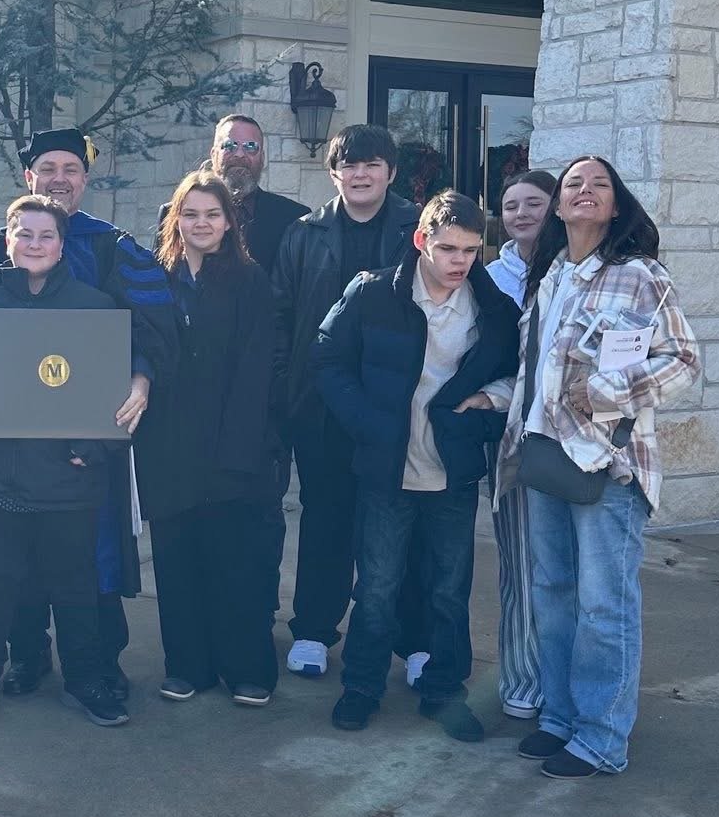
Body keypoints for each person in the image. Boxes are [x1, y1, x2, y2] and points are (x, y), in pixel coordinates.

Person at [0, 128, 178, 696]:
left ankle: (99, 663)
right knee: (12, 560)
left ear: (84, 180)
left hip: (83, 445)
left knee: (90, 556)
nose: (59, 178)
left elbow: (154, 327)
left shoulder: (110, 248)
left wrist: (141, 380)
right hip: (9, 447)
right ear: (29, 178)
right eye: (47, 168)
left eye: (71, 168)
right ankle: (27, 656)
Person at [493, 156, 700, 778]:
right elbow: (538, 370)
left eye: (599, 185)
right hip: (542, 459)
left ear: (615, 207)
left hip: (607, 465)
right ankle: (560, 717)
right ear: (559, 208)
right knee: (553, 595)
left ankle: (602, 736)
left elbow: (683, 361)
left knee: (604, 605)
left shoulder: (640, 277)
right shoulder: (550, 275)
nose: (584, 192)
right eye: (573, 185)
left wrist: (607, 392)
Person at [314, 190, 518, 743]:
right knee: (377, 587)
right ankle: (361, 688)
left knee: (449, 591)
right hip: (386, 470)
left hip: (452, 473)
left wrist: (488, 401)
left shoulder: (493, 307)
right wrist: (367, 422)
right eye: (449, 248)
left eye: (472, 250)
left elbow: (519, 370)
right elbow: (328, 357)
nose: (460, 262)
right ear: (421, 239)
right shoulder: (372, 293)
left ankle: (445, 694)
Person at [0, 197, 131, 730]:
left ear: (61, 243)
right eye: (23, 234)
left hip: (70, 477)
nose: (33, 243)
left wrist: (95, 447)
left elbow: (115, 394)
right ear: (7, 239)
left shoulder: (95, 307)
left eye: (45, 235)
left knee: (74, 584)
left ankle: (86, 680)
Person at [273, 124, 418, 677]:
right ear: (334, 173)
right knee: (326, 520)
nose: (360, 174)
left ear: (391, 172)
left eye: (372, 164)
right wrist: (290, 385)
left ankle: (411, 640)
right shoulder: (304, 233)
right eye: (349, 166)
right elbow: (281, 316)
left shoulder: (416, 229)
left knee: (399, 524)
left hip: (396, 404)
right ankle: (313, 629)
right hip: (321, 405)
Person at [140, 172, 280, 706]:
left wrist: (240, 450)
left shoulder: (250, 281)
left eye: (212, 214)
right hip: (168, 444)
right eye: (191, 214)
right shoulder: (154, 278)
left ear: (229, 221)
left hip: (231, 444)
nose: (201, 224)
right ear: (176, 218)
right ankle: (187, 666)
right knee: (177, 563)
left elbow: (256, 371)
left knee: (235, 565)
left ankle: (246, 668)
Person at [485, 169, 557, 719]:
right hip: (511, 436)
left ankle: (568, 685)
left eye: (535, 202)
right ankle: (524, 681)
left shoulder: (580, 270)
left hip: (572, 439)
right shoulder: (490, 278)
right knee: (521, 563)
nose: (523, 213)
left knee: (566, 567)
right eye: (512, 205)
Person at [156, 114, 306, 273]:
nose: (240, 154)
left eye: (250, 147)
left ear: (262, 159)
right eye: (229, 146)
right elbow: (158, 281)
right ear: (213, 155)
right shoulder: (172, 215)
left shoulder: (293, 219)